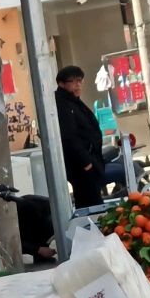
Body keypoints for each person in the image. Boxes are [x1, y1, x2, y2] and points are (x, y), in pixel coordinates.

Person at [55, 64, 105, 208]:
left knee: (92, 201)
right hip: (81, 165)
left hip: (89, 160)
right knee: (90, 204)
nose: (78, 85)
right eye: (73, 81)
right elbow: (69, 136)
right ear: (62, 84)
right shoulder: (63, 104)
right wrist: (86, 163)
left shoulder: (73, 101)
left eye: (80, 80)